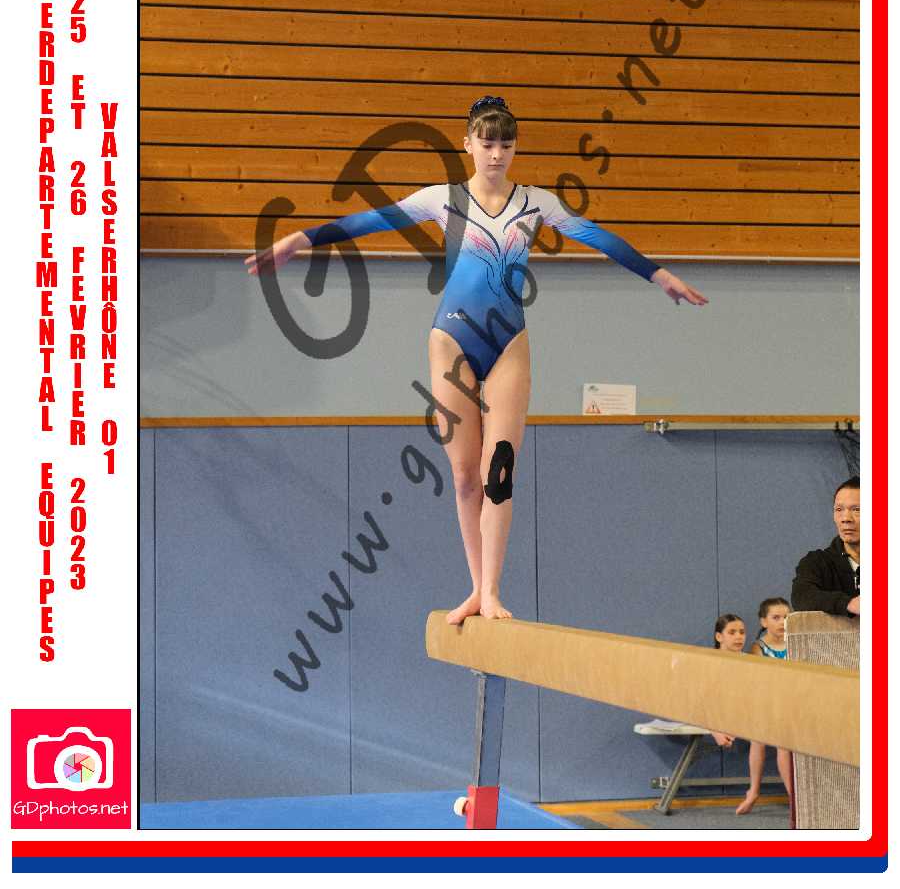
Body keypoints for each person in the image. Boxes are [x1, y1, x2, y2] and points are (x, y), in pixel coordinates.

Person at [246, 96, 707, 624]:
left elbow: (599, 238)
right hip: (452, 341)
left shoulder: (536, 203)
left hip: (508, 343)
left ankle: (491, 591)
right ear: (468, 144)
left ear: (515, 148)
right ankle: (473, 586)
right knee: (466, 475)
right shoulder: (443, 199)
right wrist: (301, 239)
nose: (496, 154)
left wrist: (657, 274)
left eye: (505, 145)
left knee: (500, 468)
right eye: (487, 144)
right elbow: (370, 221)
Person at [737, 597, 793, 816]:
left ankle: (794, 797)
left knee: (783, 745)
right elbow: (757, 682)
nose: (782, 622)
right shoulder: (758, 647)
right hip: (765, 702)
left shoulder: (796, 643)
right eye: (776, 618)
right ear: (763, 621)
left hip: (790, 703)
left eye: (786, 617)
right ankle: (753, 791)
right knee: (758, 740)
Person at [791, 476, 861, 617]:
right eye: (839, 509)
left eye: (857, 509)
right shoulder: (816, 562)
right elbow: (802, 596)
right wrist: (848, 604)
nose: (845, 518)